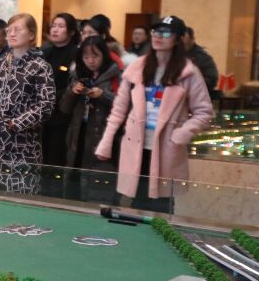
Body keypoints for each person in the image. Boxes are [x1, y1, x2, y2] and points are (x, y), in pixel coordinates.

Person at [96, 16, 213, 213]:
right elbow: (119, 109)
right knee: (135, 202)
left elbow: (204, 112)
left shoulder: (188, 72)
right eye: (155, 32)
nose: (158, 36)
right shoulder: (137, 67)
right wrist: (106, 142)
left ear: (177, 39)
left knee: (162, 205)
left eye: (166, 33)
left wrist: (180, 135)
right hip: (136, 144)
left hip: (167, 147)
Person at [0, 13, 56, 195]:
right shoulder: (0, 64)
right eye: (9, 30)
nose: (11, 34)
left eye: (17, 29)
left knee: (20, 197)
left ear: (31, 35)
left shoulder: (40, 66)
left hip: (22, 147)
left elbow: (45, 105)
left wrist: (15, 124)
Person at [59, 36, 122, 204]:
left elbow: (125, 105)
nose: (91, 61)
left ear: (104, 55)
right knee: (73, 184)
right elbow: (64, 108)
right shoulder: (78, 75)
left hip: (102, 136)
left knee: (99, 185)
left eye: (95, 56)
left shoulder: (115, 75)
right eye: (86, 57)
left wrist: (103, 95)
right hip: (78, 135)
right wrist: (73, 92)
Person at [40, 13, 80, 172]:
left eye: (61, 26)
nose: (55, 30)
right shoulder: (44, 51)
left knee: (55, 157)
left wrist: (50, 96)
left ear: (71, 31)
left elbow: (72, 84)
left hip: (62, 113)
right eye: (54, 26)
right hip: (41, 113)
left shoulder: (76, 53)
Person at [181, 27, 219, 98]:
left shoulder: (202, 57)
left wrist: (191, 85)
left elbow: (211, 79)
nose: (182, 42)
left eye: (184, 40)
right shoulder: (173, 54)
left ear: (192, 39)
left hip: (194, 96)